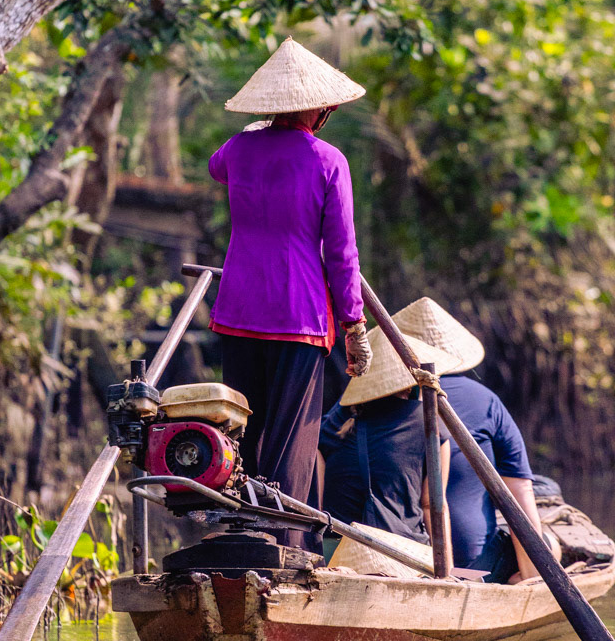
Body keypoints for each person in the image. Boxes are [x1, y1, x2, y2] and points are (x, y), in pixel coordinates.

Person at [208, 37, 372, 503]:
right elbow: (342, 254)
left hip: (239, 307)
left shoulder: (240, 148)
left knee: (239, 427)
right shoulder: (329, 161)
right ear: (319, 112)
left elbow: (216, 166)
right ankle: (283, 540)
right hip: (298, 316)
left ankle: (238, 525)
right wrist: (354, 323)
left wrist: (259, 130)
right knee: (291, 439)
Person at [392, 297, 558, 583]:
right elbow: (519, 496)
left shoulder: (359, 404)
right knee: (551, 544)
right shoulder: (485, 401)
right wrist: (534, 580)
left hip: (384, 555)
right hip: (469, 568)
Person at [317, 327, 451, 542]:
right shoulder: (426, 421)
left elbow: (320, 503)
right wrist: (448, 570)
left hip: (339, 548)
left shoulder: (332, 423)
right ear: (409, 381)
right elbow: (433, 505)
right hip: (402, 550)